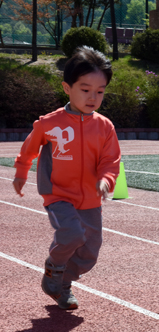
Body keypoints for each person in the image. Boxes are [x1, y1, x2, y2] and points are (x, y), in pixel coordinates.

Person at [12, 46, 121, 310]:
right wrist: (21, 173)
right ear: (66, 88)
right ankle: (55, 266)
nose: (93, 97)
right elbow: (29, 149)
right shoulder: (49, 124)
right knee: (71, 234)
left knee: (90, 253)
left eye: (100, 91)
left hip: (92, 200)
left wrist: (107, 180)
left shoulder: (105, 126)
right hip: (58, 194)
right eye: (85, 89)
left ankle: (61, 283)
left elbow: (111, 161)